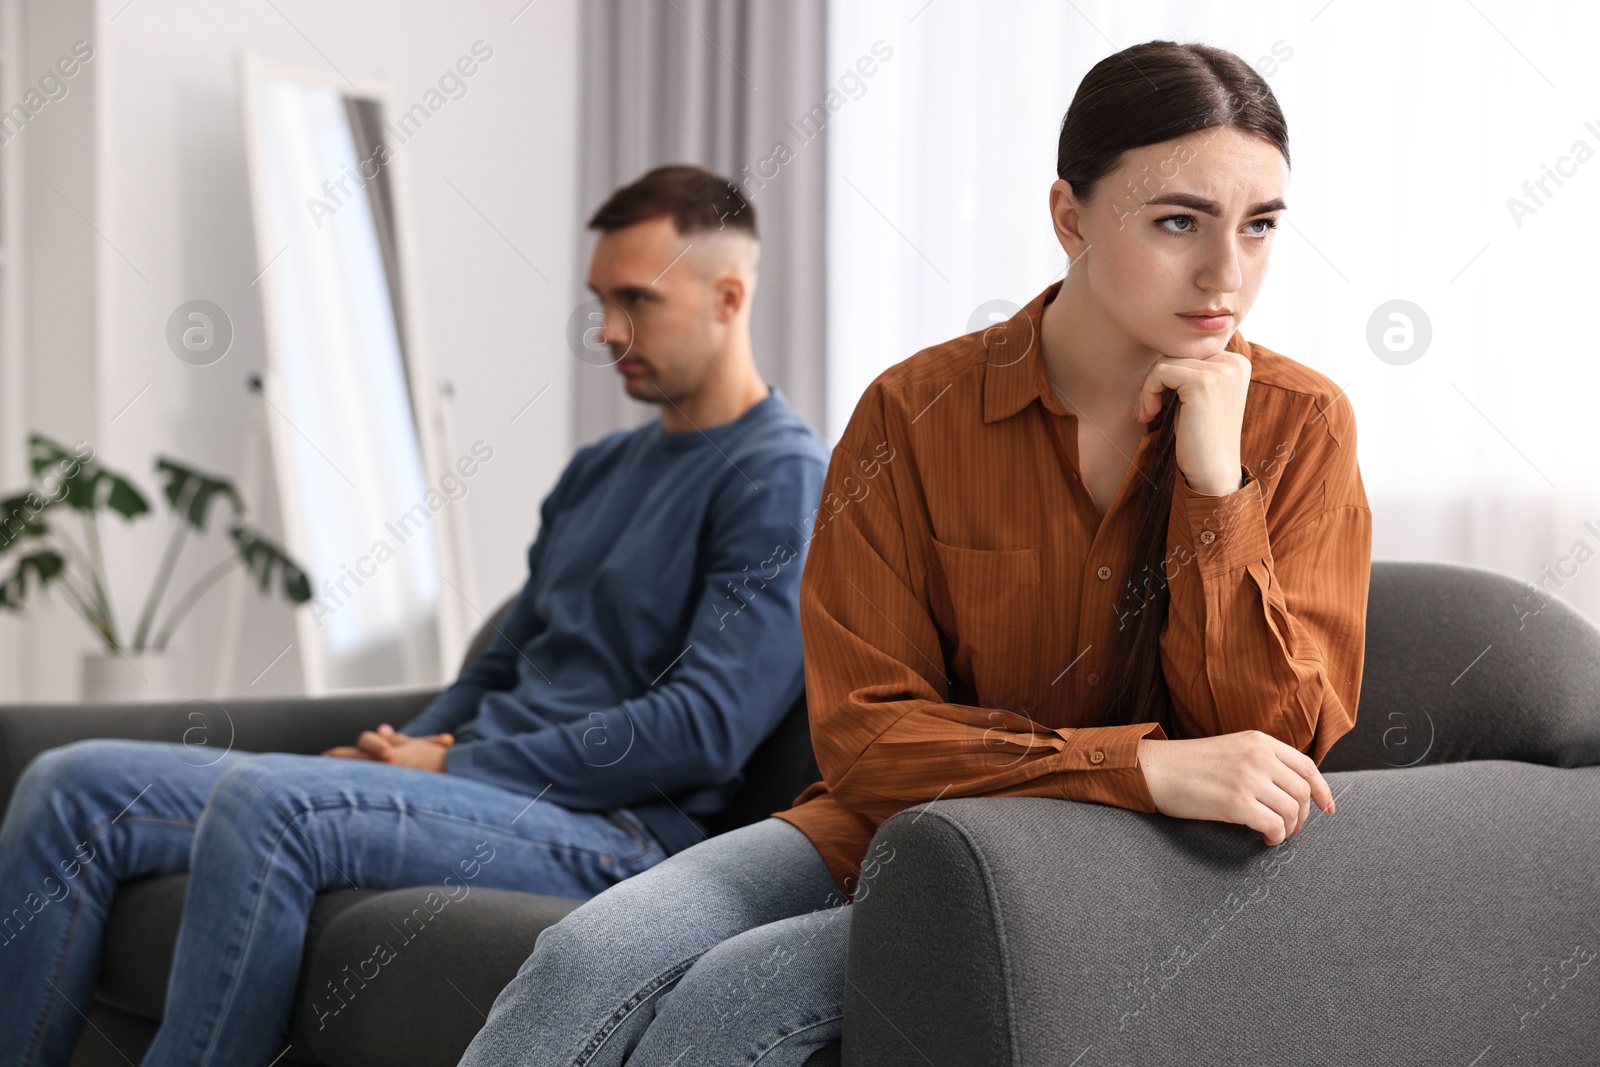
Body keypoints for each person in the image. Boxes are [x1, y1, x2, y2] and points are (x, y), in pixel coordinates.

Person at [456, 40, 1372, 1067]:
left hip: (1131, 871)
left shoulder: (1299, 428)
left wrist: (1215, 488)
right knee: (586, 951)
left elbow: (1273, 747)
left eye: (1258, 227)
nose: (1225, 274)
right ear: (1069, 216)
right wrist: (1136, 761)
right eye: (1177, 222)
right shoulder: (914, 410)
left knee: (734, 1000)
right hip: (885, 827)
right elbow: (863, 735)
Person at [0, 163, 828, 1067]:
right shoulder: (600, 470)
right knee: (69, 785)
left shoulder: (779, 477)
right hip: (474, 787)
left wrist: (456, 761)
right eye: (600, 300)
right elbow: (494, 668)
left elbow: (706, 729)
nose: (607, 331)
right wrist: (402, 748)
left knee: (268, 804)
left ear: (729, 296)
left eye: (636, 300)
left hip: (613, 829)